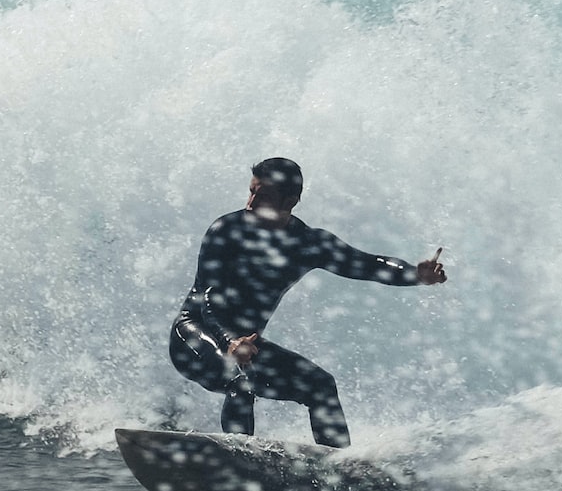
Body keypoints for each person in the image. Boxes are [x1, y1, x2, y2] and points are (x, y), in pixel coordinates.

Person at [169, 157, 447, 448]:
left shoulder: (307, 244)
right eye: (251, 192)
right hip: (196, 334)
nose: (251, 203)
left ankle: (341, 469)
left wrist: (415, 275)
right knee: (239, 381)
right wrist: (230, 340)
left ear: (291, 201)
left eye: (263, 196)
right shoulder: (226, 231)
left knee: (320, 386)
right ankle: (238, 460)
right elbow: (209, 298)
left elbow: (367, 264)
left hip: (247, 346)